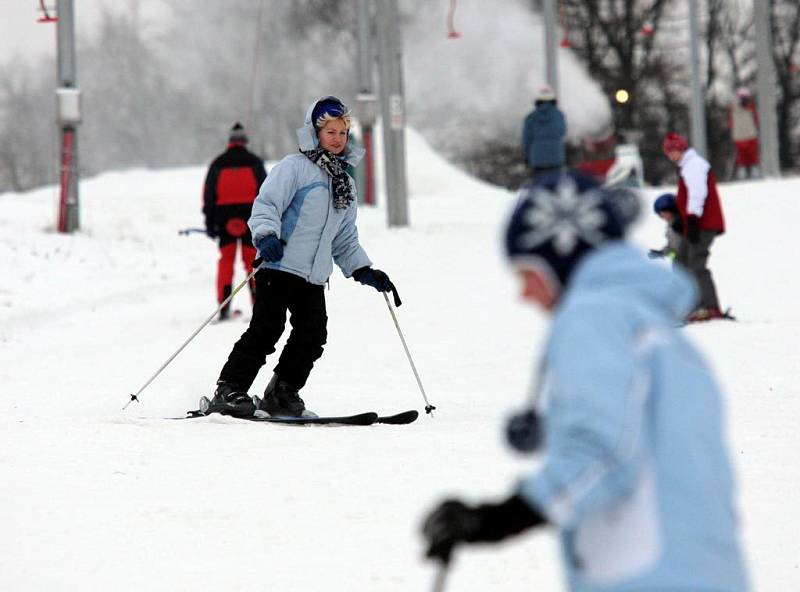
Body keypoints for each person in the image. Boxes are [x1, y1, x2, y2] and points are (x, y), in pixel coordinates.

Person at [421, 172, 750, 592]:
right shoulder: (650, 326)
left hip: (646, 574)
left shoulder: (593, 315)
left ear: (559, 258)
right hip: (702, 569)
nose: (524, 294)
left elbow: (604, 451)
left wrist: (497, 518)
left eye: (527, 274)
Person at [208, 96, 398, 418]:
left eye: (342, 133)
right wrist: (266, 236)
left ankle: (282, 392)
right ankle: (229, 389)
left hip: (313, 276)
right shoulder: (294, 168)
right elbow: (266, 205)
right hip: (279, 265)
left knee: (313, 334)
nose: (337, 139)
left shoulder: (344, 183)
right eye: (330, 133)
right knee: (266, 330)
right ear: (315, 132)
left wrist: (365, 270)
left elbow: (344, 238)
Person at [202, 122, 268, 321]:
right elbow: (266, 193)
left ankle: (223, 306)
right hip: (251, 219)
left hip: (224, 221)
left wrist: (209, 223)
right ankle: (260, 306)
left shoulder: (218, 163)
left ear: (230, 141)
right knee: (253, 262)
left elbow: (208, 195)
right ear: (244, 141)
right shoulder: (255, 162)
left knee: (226, 261)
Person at [661, 132, 726, 322]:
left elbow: (697, 193)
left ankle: (710, 306)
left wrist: (692, 218)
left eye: (674, 150)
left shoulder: (693, 165)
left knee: (696, 263)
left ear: (682, 148)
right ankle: (691, 305)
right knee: (682, 261)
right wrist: (683, 220)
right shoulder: (687, 166)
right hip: (695, 223)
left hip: (702, 223)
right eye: (668, 151)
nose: (671, 155)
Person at [522, 84, 567, 179]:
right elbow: (562, 131)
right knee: (555, 187)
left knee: (539, 186)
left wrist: (527, 157)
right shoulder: (559, 115)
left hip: (537, 158)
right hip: (556, 157)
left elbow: (526, 140)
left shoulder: (531, 117)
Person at [728, 87, 760, 180]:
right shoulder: (751, 107)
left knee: (741, 156)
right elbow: (756, 120)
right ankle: (755, 173)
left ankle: (742, 174)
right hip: (751, 135)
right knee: (753, 155)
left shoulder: (732, 108)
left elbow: (730, 123)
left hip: (738, 137)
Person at [648, 192, 683, 261]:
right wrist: (662, 253)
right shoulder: (671, 225)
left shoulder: (682, 224)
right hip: (681, 265)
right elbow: (674, 249)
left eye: (663, 213)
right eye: (660, 215)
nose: (662, 217)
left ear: (672, 209)